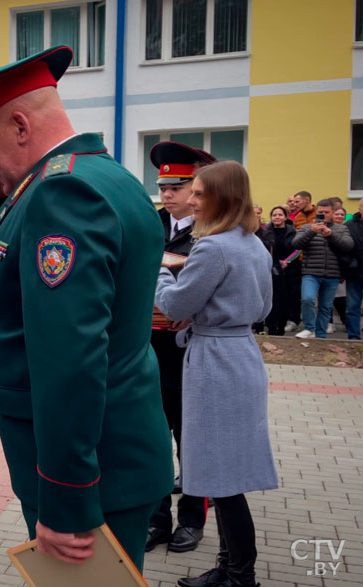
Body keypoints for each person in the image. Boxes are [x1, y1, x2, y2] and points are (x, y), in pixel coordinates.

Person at [0, 45, 173, 571]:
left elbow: (69, 361)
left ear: (20, 125)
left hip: (85, 472)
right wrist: (3, 198)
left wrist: (66, 498)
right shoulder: (98, 176)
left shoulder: (58, 195)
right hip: (117, 449)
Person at [154, 161, 278, 587]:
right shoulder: (252, 242)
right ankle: (230, 568)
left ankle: (239, 575)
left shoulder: (213, 246)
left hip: (215, 361)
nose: (191, 199)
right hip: (240, 352)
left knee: (222, 480)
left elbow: (174, 306)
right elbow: (263, 308)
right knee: (227, 476)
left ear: (223, 197)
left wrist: (158, 272)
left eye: (200, 193)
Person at [145, 141, 216, 556]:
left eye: (177, 186)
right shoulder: (151, 225)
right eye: (163, 187)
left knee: (191, 440)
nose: (167, 194)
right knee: (152, 438)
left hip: (190, 351)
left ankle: (192, 520)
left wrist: (172, 264)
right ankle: (156, 520)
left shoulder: (212, 232)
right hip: (149, 348)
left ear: (198, 187)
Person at [291, 198, 352, 339]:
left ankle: (321, 336)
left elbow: (348, 246)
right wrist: (312, 231)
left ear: (332, 212)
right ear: (316, 212)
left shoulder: (341, 228)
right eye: (320, 212)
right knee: (307, 299)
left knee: (326, 307)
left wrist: (331, 234)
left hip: (332, 273)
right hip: (310, 272)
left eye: (326, 212)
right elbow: (295, 244)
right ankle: (309, 328)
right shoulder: (307, 227)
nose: (323, 215)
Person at [262, 206, 300, 336]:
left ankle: (281, 327)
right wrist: (276, 263)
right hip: (272, 271)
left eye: (280, 215)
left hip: (289, 272)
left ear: (285, 217)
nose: (277, 217)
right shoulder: (266, 232)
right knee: (272, 300)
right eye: (274, 215)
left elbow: (297, 249)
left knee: (285, 301)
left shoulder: (292, 232)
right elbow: (263, 251)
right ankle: (271, 327)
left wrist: (287, 262)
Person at [344, 200, 363, 340]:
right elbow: (343, 248)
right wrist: (350, 263)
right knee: (352, 306)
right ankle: (354, 337)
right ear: (360, 208)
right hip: (355, 272)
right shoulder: (349, 226)